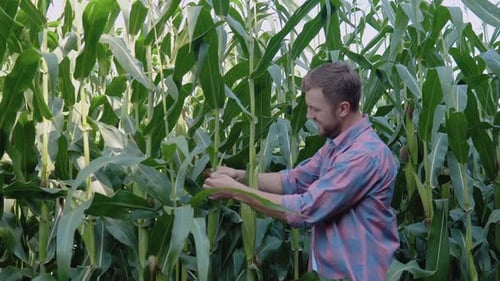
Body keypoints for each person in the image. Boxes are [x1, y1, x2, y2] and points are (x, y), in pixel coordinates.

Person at [203, 62, 399, 281]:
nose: (308, 115)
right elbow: (294, 180)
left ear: (343, 108)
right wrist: (240, 176)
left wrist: (235, 191)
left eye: (315, 109)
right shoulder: (337, 146)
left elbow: (306, 209)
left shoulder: (364, 156)